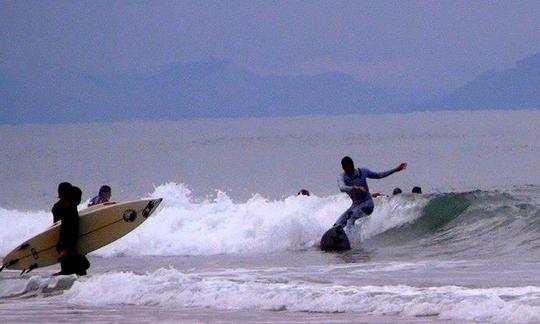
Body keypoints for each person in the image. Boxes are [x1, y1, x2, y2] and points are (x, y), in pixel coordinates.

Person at [334, 156, 406, 230]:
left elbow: (379, 175)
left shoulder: (362, 172)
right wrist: (354, 187)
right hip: (355, 205)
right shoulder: (342, 177)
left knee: (351, 216)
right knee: (337, 224)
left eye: (351, 167)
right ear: (343, 168)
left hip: (368, 204)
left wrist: (395, 170)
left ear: (353, 164)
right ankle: (337, 237)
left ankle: (350, 238)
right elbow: (342, 188)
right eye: (348, 169)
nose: (350, 170)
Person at [55, 186, 90, 276]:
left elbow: (69, 232)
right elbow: (67, 232)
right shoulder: (70, 212)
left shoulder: (70, 212)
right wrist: (65, 250)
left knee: (73, 270)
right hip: (67, 247)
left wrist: (64, 249)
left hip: (67, 247)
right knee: (75, 270)